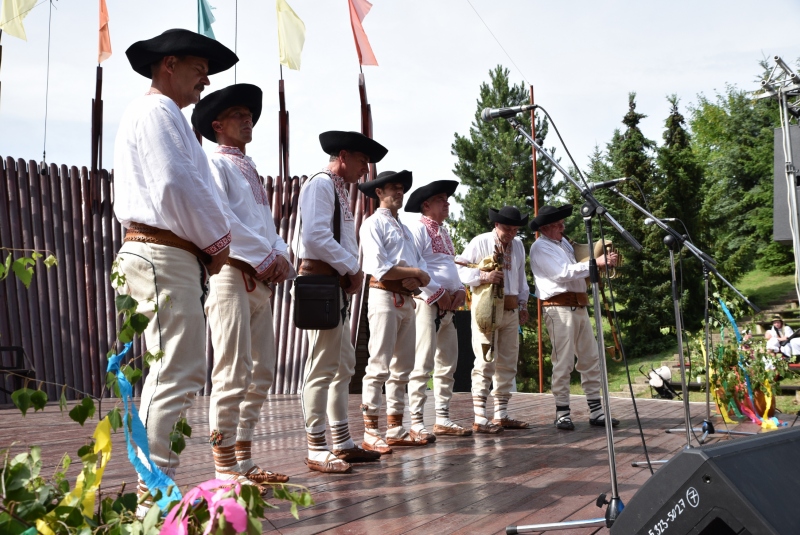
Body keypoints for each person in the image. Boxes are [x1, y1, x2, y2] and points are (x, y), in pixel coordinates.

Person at [112, 29, 237, 500]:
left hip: (165, 254)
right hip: (162, 253)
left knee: (175, 369)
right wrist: (217, 241)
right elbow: (175, 187)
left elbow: (182, 185)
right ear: (168, 64)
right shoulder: (157, 110)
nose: (206, 77)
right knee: (174, 371)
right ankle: (153, 495)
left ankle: (156, 487)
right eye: (198, 67)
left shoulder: (163, 114)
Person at [191, 83, 293, 486]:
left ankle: (244, 459)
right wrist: (268, 257)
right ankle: (223, 467)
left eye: (250, 114)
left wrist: (281, 254)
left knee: (262, 371)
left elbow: (266, 227)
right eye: (238, 115)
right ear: (217, 125)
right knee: (231, 372)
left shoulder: (248, 168)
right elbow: (223, 221)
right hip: (231, 274)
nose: (248, 118)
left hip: (258, 279)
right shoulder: (214, 164)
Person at [297, 131, 388, 473]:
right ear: (344, 155)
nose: (365, 170)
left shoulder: (336, 189)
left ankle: (341, 440)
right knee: (322, 365)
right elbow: (315, 237)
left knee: (342, 363)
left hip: (332, 283)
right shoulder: (321, 184)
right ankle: (316, 445)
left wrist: (348, 271)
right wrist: (352, 267)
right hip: (320, 281)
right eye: (363, 161)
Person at [358, 170, 432, 453]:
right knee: (378, 364)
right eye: (392, 188)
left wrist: (415, 279)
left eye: (401, 189)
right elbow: (381, 267)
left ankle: (395, 426)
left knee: (402, 366)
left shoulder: (406, 228)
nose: (398, 193)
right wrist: (417, 274)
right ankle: (370, 430)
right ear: (378, 192)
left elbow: (412, 266)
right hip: (383, 295)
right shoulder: (372, 224)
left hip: (404, 298)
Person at [529, 204, 619, 430]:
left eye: (561, 224)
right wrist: (595, 263)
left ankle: (596, 411)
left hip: (577, 306)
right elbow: (563, 273)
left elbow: (576, 268)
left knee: (590, 358)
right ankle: (562, 412)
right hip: (558, 308)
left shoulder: (563, 243)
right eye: (558, 225)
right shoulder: (540, 247)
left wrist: (599, 262)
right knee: (564, 361)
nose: (563, 227)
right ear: (546, 228)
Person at [405, 180, 472, 438]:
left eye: (447, 199)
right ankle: (417, 420)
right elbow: (416, 265)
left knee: (447, 364)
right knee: (422, 363)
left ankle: (443, 417)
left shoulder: (444, 232)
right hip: (427, 304)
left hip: (449, 307)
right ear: (426, 205)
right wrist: (438, 292)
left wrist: (458, 291)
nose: (447, 203)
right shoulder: (418, 229)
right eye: (441, 199)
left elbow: (448, 267)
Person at [456, 206, 531, 434]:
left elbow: (521, 277)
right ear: (497, 225)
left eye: (515, 229)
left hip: (509, 309)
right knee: (484, 360)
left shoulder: (518, 245)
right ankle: (480, 416)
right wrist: (484, 276)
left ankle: (501, 414)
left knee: (508, 361)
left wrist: (523, 303)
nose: (511, 233)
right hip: (487, 308)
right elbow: (459, 268)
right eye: (507, 228)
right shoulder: (480, 241)